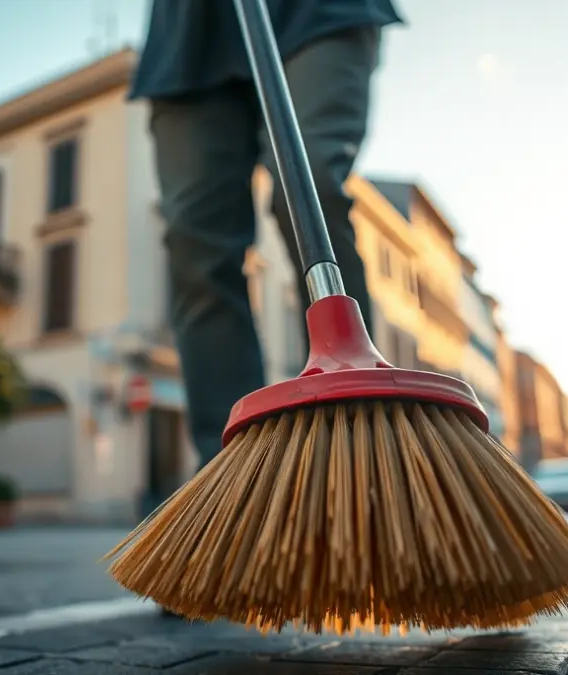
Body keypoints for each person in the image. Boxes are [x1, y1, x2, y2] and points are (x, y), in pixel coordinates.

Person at [130, 0, 402, 618]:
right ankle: (238, 505)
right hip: (191, 35)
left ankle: (370, 471)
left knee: (311, 193)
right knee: (196, 245)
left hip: (316, 13)